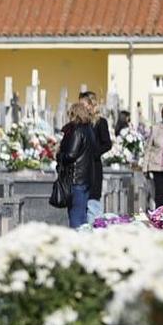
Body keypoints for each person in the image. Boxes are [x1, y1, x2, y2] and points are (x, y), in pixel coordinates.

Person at [56, 98, 103, 229]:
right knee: (82, 215)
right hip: (87, 178)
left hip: (77, 178)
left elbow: (71, 154)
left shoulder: (77, 131)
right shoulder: (89, 130)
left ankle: (76, 243)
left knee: (76, 215)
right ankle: (83, 241)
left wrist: (59, 155)